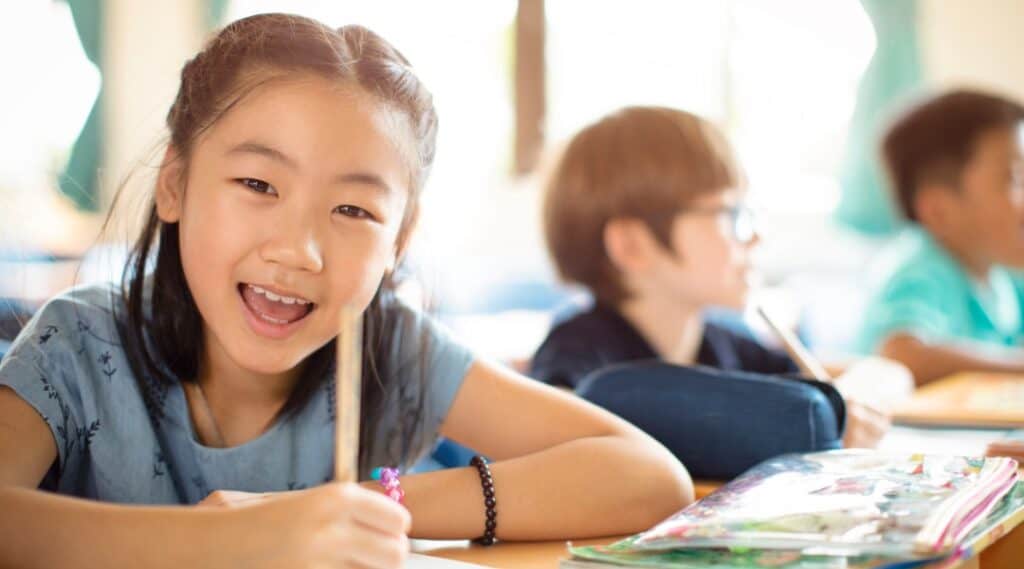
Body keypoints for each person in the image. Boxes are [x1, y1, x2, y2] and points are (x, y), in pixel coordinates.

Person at [0, 15, 691, 569]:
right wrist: (247, 538)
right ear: (175, 182)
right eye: (258, 185)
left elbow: (651, 475)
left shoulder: (390, 346)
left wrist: (363, 505)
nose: (299, 250)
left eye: (354, 211)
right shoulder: (77, 344)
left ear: (400, 237)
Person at [532, 106, 891, 449]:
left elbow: (883, 374)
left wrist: (848, 406)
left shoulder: (726, 345)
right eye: (730, 214)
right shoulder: (575, 353)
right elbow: (556, 434)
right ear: (632, 245)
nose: (755, 237)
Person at [857, 89, 1024, 385]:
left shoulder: (1007, 279)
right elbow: (901, 353)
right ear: (939, 211)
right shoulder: (922, 270)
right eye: (1014, 178)